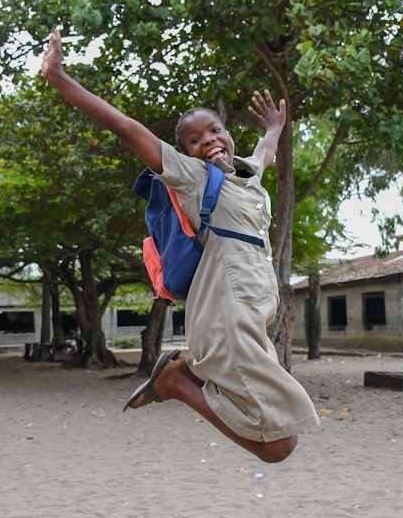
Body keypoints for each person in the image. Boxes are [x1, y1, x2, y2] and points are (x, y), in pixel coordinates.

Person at [41, 31, 320, 463]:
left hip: (250, 320)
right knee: (278, 447)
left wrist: (275, 128)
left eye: (215, 130)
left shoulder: (245, 177)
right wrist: (60, 79)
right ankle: (177, 385)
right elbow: (125, 126)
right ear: (186, 153)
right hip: (226, 320)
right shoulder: (192, 178)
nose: (209, 141)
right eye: (195, 140)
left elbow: (264, 153)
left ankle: (178, 380)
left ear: (227, 133)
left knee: (284, 439)